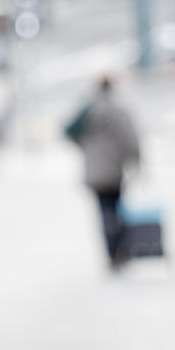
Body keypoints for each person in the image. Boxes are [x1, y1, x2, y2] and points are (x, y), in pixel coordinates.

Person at [71, 75, 140, 269]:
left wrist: (85, 147)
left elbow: (69, 131)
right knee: (117, 209)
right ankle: (120, 250)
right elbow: (130, 138)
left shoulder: (87, 110)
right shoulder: (119, 109)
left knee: (104, 212)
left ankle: (111, 252)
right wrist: (136, 161)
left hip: (93, 170)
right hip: (114, 169)